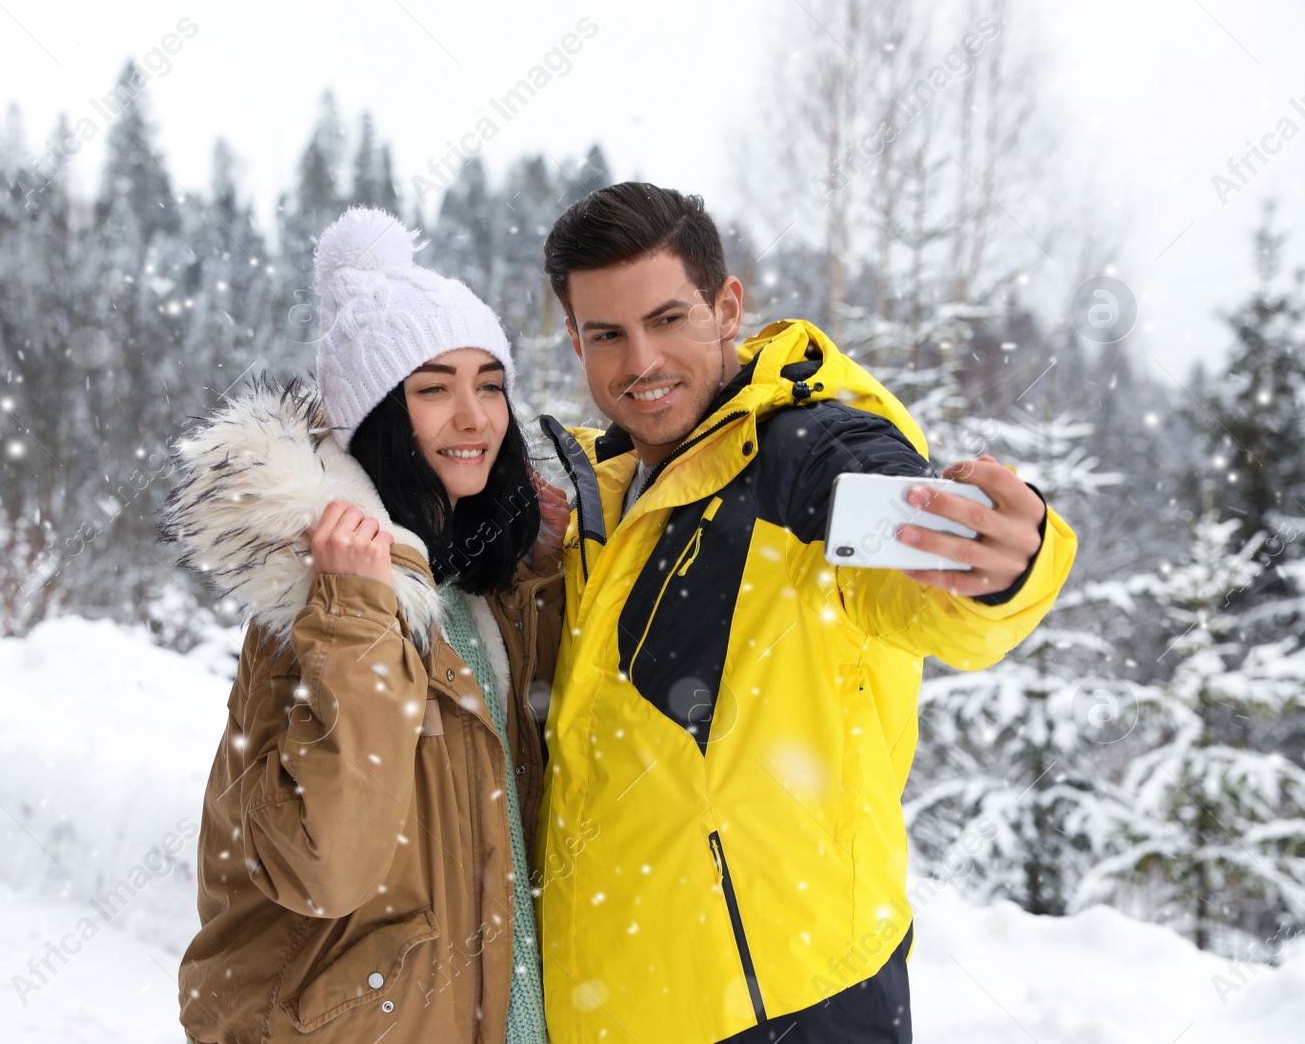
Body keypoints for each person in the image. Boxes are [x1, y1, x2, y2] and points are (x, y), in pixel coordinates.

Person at [531, 182, 1078, 1044]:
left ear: (727, 307)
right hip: (613, 1009)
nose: (640, 361)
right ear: (576, 339)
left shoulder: (806, 455)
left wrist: (1012, 561)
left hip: (789, 1009)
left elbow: (930, 593)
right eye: (607, 333)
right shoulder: (600, 499)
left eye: (669, 319)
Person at [159, 207, 570, 1044]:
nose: (474, 416)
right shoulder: (319, 600)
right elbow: (327, 862)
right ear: (377, 414)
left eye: (489, 382)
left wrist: (551, 575)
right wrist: (351, 619)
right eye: (433, 388)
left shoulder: (480, 584)